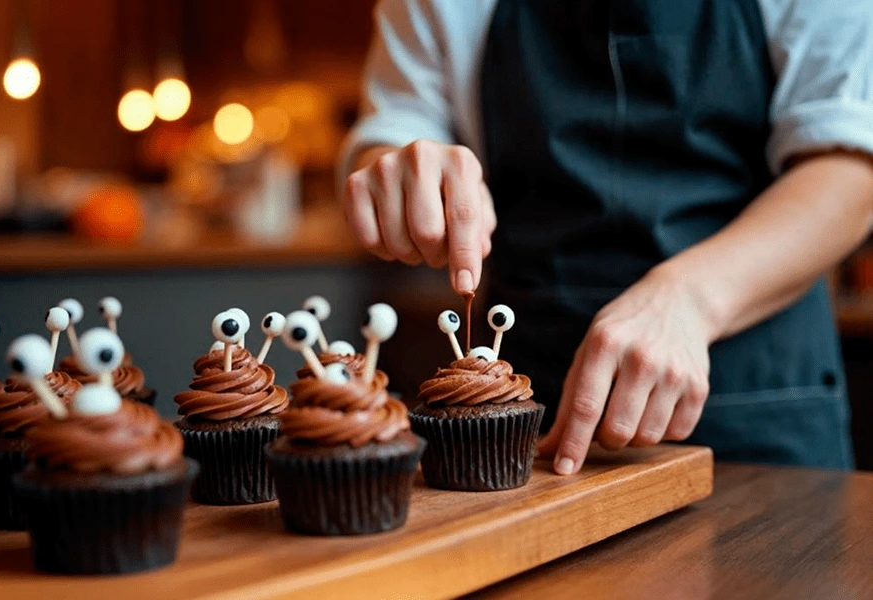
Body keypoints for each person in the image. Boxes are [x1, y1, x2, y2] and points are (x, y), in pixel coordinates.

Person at [339, 0, 873, 474]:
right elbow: (397, 122)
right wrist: (400, 169)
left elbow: (852, 170)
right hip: (526, 412)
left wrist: (687, 299)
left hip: (762, 404)